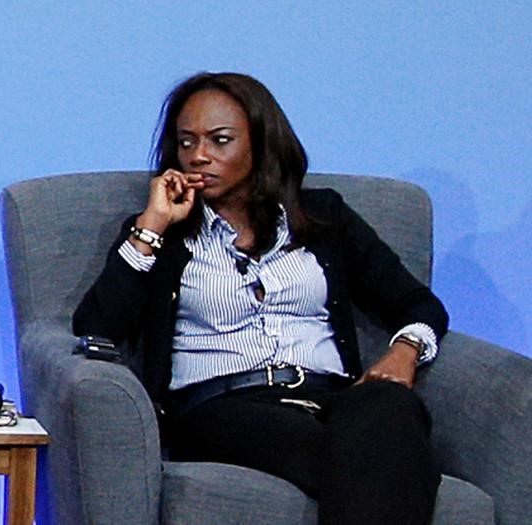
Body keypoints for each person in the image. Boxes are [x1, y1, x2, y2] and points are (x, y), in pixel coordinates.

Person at [73, 72, 448, 525]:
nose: (199, 157)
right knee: (380, 455)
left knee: (390, 407)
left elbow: (418, 303)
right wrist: (151, 227)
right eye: (186, 142)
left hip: (329, 396)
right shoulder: (164, 235)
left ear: (261, 144)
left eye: (220, 140)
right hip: (220, 406)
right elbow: (96, 327)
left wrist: (404, 353)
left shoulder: (325, 217)